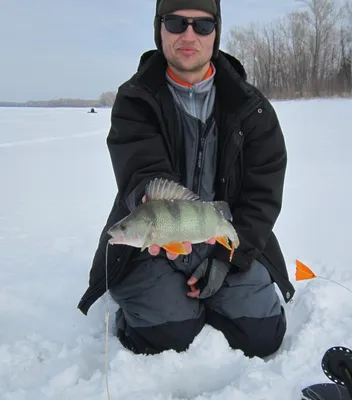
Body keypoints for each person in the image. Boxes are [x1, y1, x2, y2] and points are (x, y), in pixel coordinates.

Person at [78, 0, 295, 358]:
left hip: (227, 236)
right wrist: (152, 202)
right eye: (176, 23)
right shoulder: (136, 100)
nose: (188, 35)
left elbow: (262, 195)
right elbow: (143, 170)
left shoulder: (252, 109)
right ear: (159, 29)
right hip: (155, 241)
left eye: (202, 25)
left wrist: (229, 258)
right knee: (166, 335)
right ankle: (158, 308)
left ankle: (216, 296)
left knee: (261, 335)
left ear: (216, 32)